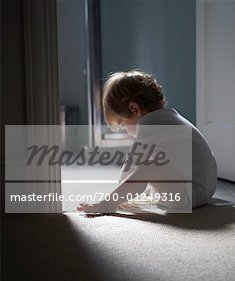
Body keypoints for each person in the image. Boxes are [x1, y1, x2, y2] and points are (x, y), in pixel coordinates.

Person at [78, 70, 217, 213]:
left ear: (134, 109)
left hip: (189, 196)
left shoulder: (149, 125)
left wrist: (115, 197)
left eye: (123, 124)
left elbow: (130, 167)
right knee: (156, 164)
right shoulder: (172, 119)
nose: (125, 129)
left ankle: (107, 205)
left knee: (149, 166)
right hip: (206, 188)